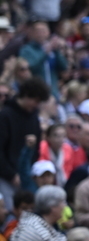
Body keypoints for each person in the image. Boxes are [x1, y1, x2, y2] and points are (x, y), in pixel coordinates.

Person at [0, 78, 49, 206]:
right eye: (35, 101)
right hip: (5, 177)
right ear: (26, 96)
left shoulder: (34, 117)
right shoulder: (5, 115)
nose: (36, 105)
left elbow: (36, 148)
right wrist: (11, 175)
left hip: (26, 175)